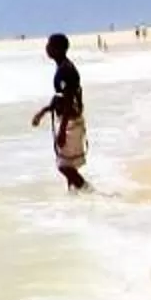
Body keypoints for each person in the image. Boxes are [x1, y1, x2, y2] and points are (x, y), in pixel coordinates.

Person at [28, 33, 88, 191]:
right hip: (71, 119)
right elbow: (60, 97)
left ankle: (88, 191)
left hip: (70, 121)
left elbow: (68, 101)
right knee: (69, 165)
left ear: (58, 49)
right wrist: (44, 111)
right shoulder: (63, 67)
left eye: (50, 45)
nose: (47, 48)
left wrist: (62, 131)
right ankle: (75, 196)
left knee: (64, 166)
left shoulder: (65, 70)